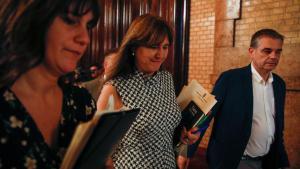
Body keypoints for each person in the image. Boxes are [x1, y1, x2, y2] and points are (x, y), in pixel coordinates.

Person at [0, 0, 99, 168]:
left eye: (88, 26)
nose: (85, 39)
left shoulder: (81, 102)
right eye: (70, 21)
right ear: (32, 19)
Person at [97, 14, 200, 168]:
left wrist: (183, 136)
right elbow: (99, 146)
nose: (160, 55)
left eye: (165, 47)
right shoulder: (114, 87)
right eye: (153, 46)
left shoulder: (166, 79)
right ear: (133, 47)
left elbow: (163, 127)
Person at [206, 29, 290, 169]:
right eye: (267, 51)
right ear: (252, 51)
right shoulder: (230, 79)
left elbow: (277, 127)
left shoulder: (279, 84)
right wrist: (186, 152)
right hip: (235, 162)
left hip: (267, 161)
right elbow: (207, 115)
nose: (274, 56)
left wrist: (282, 161)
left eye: (278, 51)